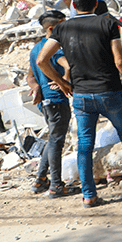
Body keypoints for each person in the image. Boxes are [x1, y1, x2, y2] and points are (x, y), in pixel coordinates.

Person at [36, 0, 122, 208]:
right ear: (96, 3)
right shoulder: (108, 23)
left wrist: (61, 82)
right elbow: (119, 61)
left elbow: (41, 60)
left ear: (74, 6)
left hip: (82, 96)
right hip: (111, 91)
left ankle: (89, 195)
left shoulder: (62, 28)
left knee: (84, 145)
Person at [27, 10, 75, 198]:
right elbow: (68, 65)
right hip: (56, 100)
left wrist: (36, 87)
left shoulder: (36, 49)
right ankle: (56, 185)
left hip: (45, 103)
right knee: (57, 141)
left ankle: (40, 179)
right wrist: (65, 81)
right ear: (52, 28)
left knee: (53, 139)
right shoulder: (54, 48)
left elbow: (30, 77)